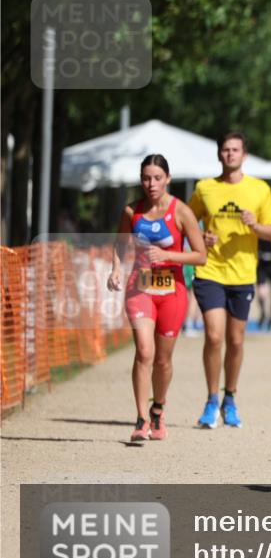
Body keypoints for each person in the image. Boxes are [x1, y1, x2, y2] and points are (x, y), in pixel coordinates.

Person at [107, 155, 207, 442]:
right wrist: (115, 269)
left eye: (157, 178)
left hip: (172, 292)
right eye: (146, 178)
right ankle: (140, 420)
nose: (151, 184)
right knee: (145, 352)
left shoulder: (181, 212)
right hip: (140, 290)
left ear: (168, 179)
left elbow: (200, 256)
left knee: (163, 360)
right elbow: (119, 244)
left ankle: (158, 410)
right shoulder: (132, 211)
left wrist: (168, 256)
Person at [188, 131, 271, 428]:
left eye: (235, 150)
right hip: (210, 271)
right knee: (214, 336)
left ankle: (230, 397)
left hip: (242, 273)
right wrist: (201, 236)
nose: (230, 154)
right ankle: (211, 400)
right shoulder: (205, 189)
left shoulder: (260, 189)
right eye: (225, 150)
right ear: (219, 155)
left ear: (244, 155)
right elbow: (186, 223)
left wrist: (256, 226)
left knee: (235, 340)